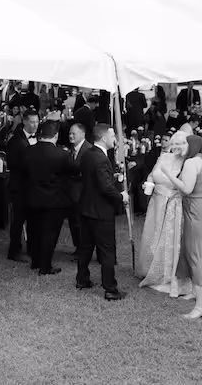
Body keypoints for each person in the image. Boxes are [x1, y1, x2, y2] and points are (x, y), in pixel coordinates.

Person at [161, 134, 202, 318]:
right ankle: (196, 292)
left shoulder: (191, 163)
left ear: (194, 144)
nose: (182, 145)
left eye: (185, 142)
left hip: (197, 211)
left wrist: (169, 174)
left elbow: (186, 189)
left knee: (195, 254)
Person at [76, 124, 129, 300]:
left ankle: (82, 279)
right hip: (100, 211)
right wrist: (121, 197)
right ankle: (110, 288)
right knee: (107, 250)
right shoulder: (100, 158)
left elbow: (95, 179)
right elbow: (105, 188)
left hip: (86, 208)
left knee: (85, 247)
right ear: (105, 138)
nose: (115, 139)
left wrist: (112, 177)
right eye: (113, 136)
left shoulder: (88, 154)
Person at [136, 132, 191, 298]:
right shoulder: (164, 157)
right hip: (156, 202)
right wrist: (150, 183)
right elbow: (152, 174)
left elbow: (186, 187)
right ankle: (148, 268)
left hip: (173, 205)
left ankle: (167, 273)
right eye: (174, 143)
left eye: (180, 144)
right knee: (152, 235)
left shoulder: (188, 162)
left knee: (168, 240)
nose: (176, 147)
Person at [22, 120, 77, 275]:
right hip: (55, 200)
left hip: (33, 197)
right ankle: (45, 265)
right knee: (50, 233)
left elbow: (23, 172)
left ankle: (36, 261)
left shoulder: (28, 151)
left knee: (34, 230)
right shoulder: (62, 154)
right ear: (56, 136)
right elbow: (74, 171)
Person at [5, 109, 40, 262]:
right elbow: (13, 164)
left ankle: (33, 249)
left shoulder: (38, 138)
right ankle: (14, 251)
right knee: (18, 221)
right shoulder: (14, 141)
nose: (35, 125)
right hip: (19, 187)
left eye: (37, 122)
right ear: (24, 122)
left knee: (33, 220)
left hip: (33, 187)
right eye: (32, 122)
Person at [65, 123, 92, 255]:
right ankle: (78, 246)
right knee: (73, 222)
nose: (70, 136)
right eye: (70, 133)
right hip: (71, 193)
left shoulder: (89, 150)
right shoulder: (70, 150)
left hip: (82, 192)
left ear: (82, 135)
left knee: (81, 223)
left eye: (73, 133)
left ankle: (84, 248)